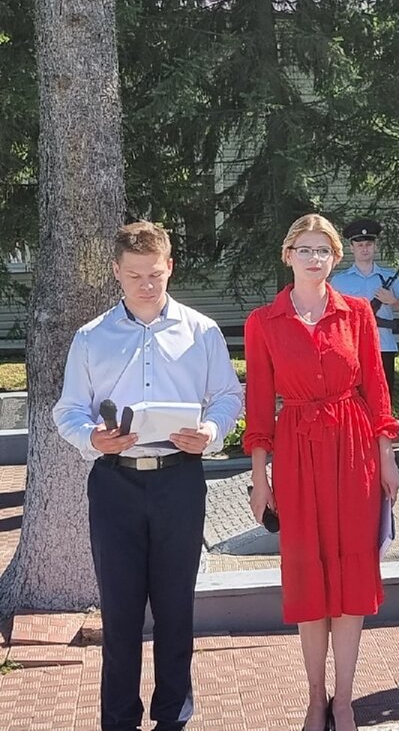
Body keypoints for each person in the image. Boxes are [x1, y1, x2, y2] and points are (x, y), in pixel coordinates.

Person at [54, 221, 243, 731]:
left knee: (176, 608)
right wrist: (92, 438)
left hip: (179, 481)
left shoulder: (201, 331)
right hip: (114, 483)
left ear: (170, 267)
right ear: (116, 271)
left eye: (154, 274)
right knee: (119, 614)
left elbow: (229, 396)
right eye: (134, 274)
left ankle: (172, 718)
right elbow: (68, 409)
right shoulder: (91, 337)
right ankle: (118, 721)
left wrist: (211, 429)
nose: (145, 285)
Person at [244, 214, 399, 731]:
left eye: (324, 250)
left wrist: (387, 459)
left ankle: (345, 700)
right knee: (308, 571)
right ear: (287, 255)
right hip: (295, 450)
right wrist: (259, 478)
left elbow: (377, 392)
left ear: (336, 259)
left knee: (352, 571)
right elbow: (259, 405)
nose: (315, 259)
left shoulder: (357, 314)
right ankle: (315, 697)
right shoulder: (263, 322)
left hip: (353, 449)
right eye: (305, 249)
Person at [329, 217, 399, 396]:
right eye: (359, 245)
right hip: (351, 347)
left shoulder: (389, 277)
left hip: (383, 346)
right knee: (353, 398)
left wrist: (393, 301)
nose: (364, 249)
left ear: (375, 246)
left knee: (383, 397)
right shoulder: (339, 281)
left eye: (368, 244)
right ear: (351, 247)